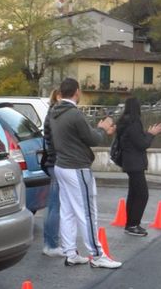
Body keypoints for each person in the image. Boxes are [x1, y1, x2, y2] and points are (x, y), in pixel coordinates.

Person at [49, 78, 122, 269]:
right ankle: (97, 256)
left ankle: (70, 253)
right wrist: (103, 128)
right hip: (77, 167)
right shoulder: (74, 114)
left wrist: (97, 129)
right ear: (77, 92)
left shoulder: (54, 113)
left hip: (61, 165)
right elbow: (93, 139)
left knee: (68, 211)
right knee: (87, 212)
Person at [116, 97, 161, 236]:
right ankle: (133, 224)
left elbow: (134, 140)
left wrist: (147, 134)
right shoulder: (134, 123)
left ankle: (130, 224)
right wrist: (151, 134)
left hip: (129, 162)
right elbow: (142, 144)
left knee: (133, 194)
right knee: (142, 194)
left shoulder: (124, 122)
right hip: (135, 163)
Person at [42, 88, 64, 257]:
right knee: (56, 206)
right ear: (58, 96)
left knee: (52, 206)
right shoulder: (55, 115)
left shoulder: (50, 114)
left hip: (52, 162)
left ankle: (48, 243)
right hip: (57, 162)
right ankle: (51, 244)